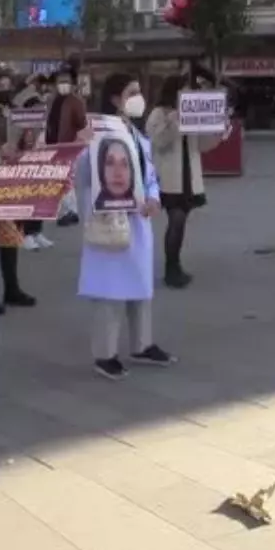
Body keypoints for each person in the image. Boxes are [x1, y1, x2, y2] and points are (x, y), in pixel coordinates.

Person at [76, 73, 174, 380]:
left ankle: (142, 344)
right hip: (109, 220)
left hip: (138, 221)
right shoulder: (99, 133)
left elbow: (150, 177)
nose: (138, 98)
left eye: (139, 91)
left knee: (140, 287)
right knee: (110, 291)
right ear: (116, 98)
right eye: (132, 92)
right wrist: (83, 145)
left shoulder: (137, 135)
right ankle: (104, 354)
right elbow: (82, 174)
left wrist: (154, 198)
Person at [146, 72, 225, 289]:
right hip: (169, 177)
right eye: (185, 89)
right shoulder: (159, 113)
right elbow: (158, 141)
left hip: (189, 175)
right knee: (176, 220)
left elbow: (201, 145)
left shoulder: (192, 112)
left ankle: (176, 265)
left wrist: (217, 131)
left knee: (180, 223)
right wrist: (174, 120)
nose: (190, 93)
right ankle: (171, 268)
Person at [0, 71, 36, 315]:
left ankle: (12, 288)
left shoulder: (16, 111)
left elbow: (28, 138)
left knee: (12, 235)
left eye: (8, 86)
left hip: (15, 177)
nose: (4, 90)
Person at [45, 65, 87, 226]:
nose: (63, 84)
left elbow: (82, 125)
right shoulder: (52, 100)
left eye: (66, 81)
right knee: (59, 178)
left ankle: (70, 211)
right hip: (51, 144)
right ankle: (67, 211)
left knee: (65, 178)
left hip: (68, 145)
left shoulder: (76, 102)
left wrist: (77, 142)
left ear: (72, 83)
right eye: (60, 81)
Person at [93, 138, 137, 209]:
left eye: (124, 164)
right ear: (101, 169)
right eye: (110, 163)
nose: (118, 173)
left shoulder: (141, 208)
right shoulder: (90, 212)